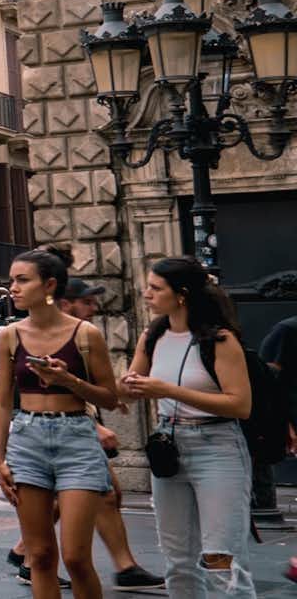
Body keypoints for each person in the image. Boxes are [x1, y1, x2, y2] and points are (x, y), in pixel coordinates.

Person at [0, 248, 123, 599]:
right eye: (11, 281)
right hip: (27, 439)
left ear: (49, 285)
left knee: (77, 557)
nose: (13, 289)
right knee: (41, 556)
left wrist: (70, 382)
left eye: (22, 280)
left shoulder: (85, 334)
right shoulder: (10, 336)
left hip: (76, 438)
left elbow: (110, 397)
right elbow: (3, 400)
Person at [121, 256, 257, 598]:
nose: (146, 294)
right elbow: (130, 391)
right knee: (177, 560)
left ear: (180, 295)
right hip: (169, 444)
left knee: (220, 559)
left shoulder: (219, 339)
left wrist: (167, 390)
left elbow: (240, 405)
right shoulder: (153, 334)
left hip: (218, 446)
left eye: (155, 288)